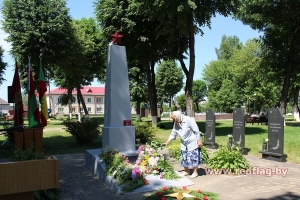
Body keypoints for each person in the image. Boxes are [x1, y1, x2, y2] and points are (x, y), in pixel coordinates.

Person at [164, 111, 203, 178]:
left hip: (192, 141)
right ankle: (186, 171)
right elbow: (173, 133)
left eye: (174, 118)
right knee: (184, 157)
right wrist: (167, 142)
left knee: (194, 157)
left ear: (178, 116)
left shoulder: (188, 120)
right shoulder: (176, 123)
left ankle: (195, 172)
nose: (173, 120)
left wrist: (199, 140)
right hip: (184, 142)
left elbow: (196, 130)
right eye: (172, 119)